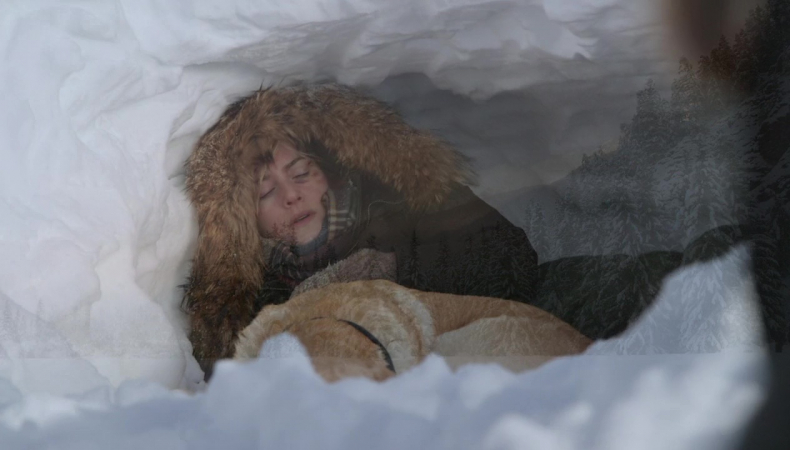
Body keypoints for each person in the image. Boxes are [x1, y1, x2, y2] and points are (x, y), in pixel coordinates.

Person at [183, 83, 539, 379]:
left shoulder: (408, 208)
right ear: (244, 217)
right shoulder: (252, 310)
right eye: (265, 191)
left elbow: (510, 266)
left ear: (328, 172)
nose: (291, 195)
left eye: (301, 173)